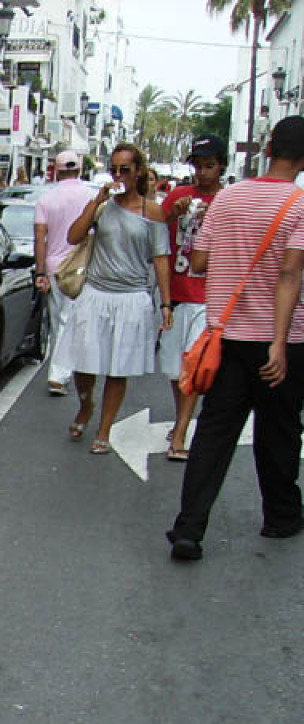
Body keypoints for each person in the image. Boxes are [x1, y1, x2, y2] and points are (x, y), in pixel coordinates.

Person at [166, 117, 304, 561]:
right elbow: (289, 273)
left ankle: (189, 527)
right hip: (281, 339)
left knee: (214, 431)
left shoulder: (228, 197)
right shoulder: (300, 204)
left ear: (268, 147)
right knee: (279, 429)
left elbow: (201, 260)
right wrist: (279, 343)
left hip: (225, 335)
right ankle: (281, 515)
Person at [53, 143, 172, 454]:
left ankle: (104, 429)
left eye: (125, 169)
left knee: (118, 368)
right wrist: (96, 201)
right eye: (114, 169)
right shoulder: (103, 207)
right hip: (95, 293)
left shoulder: (153, 212)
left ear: (139, 173)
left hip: (132, 297)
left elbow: (161, 259)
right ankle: (86, 403)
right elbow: (73, 236)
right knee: (83, 363)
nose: (118, 175)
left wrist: (166, 304)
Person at [158, 134, 227, 461]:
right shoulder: (179, 196)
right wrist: (174, 214)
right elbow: (155, 234)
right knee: (175, 368)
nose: (202, 173)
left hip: (209, 296)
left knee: (192, 362)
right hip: (176, 292)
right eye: (197, 166)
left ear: (222, 167)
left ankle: (182, 431)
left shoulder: (227, 201)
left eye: (209, 166)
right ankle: (180, 419)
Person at [34, 150, 97, 396]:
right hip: (83, 265)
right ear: (79, 170)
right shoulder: (92, 196)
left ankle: (59, 373)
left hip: (54, 266)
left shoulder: (46, 200)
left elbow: (41, 237)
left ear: (57, 171)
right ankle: (62, 373)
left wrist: (40, 272)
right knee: (73, 320)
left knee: (60, 319)